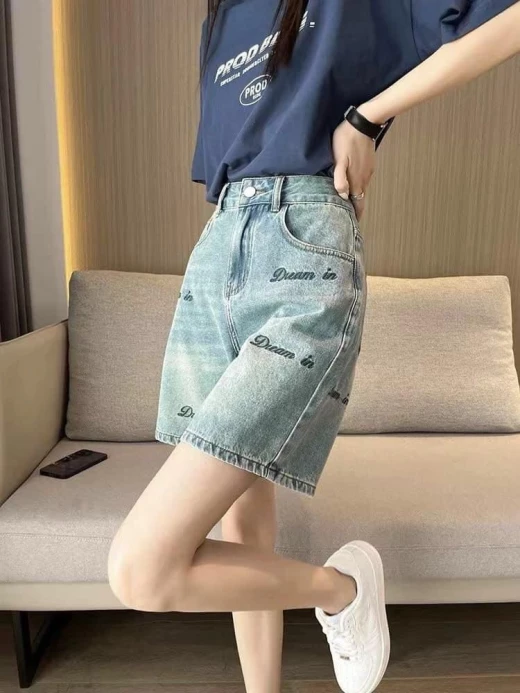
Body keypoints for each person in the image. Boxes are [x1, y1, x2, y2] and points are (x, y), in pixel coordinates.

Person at [107, 2, 520, 692]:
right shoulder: (221, 16)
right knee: (244, 519)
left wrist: (368, 118)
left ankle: (342, 588)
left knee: (139, 570)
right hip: (217, 256)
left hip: (302, 241)